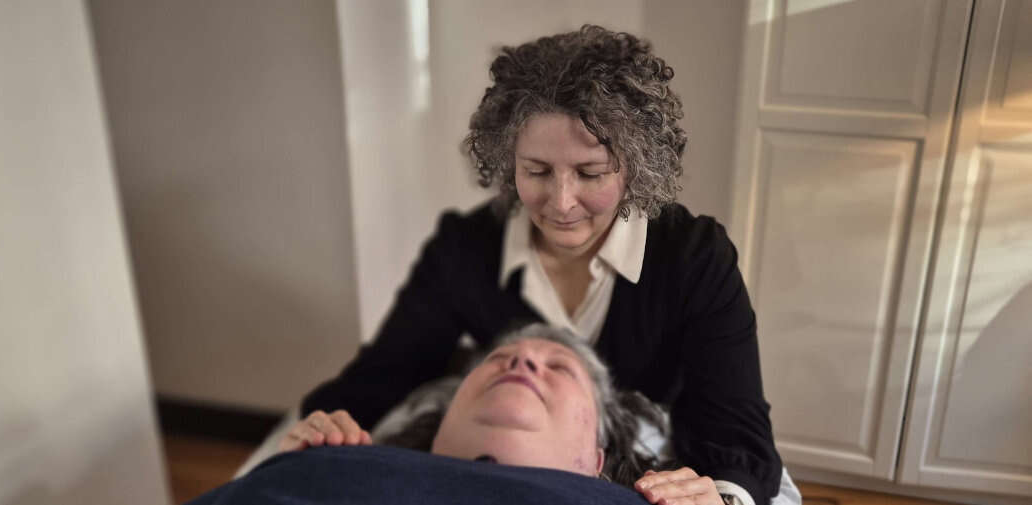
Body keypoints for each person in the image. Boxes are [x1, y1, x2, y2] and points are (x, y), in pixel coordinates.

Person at [301, 25, 782, 505]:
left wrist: (723, 498)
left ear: (636, 168)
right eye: (536, 171)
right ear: (507, 160)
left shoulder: (693, 257)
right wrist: (327, 425)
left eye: (590, 173)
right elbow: (384, 374)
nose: (561, 202)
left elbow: (735, 422)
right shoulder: (465, 248)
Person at [261, 324, 708, 505]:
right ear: (438, 424)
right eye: (499, 360)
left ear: (597, 458)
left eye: (559, 368)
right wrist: (295, 467)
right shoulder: (342, 471)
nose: (521, 362)